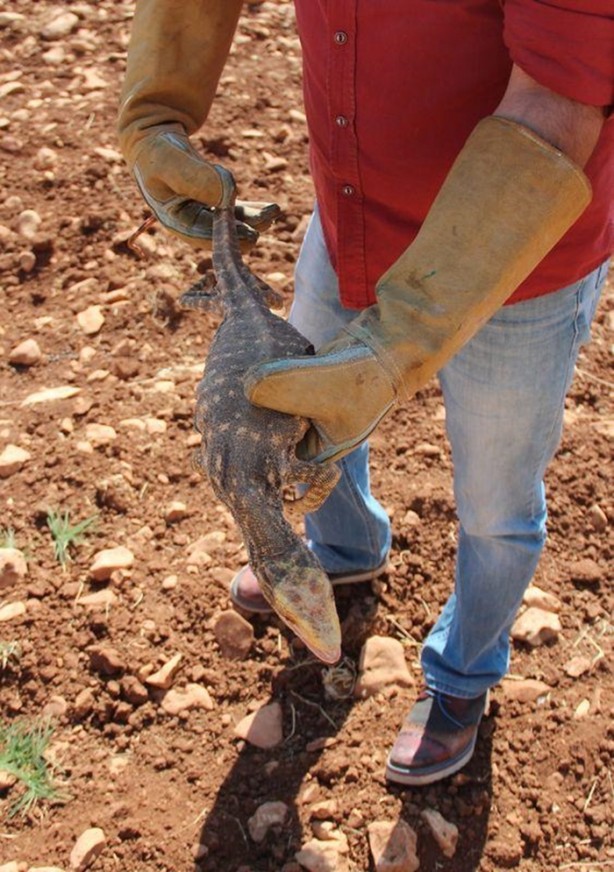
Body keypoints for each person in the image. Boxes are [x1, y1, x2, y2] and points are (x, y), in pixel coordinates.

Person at [118, 1, 613, 786]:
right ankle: (345, 552)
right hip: (350, 215)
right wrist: (158, 103)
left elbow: (560, 94)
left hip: (520, 260)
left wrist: (402, 340)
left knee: (494, 501)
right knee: (307, 414)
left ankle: (465, 671)